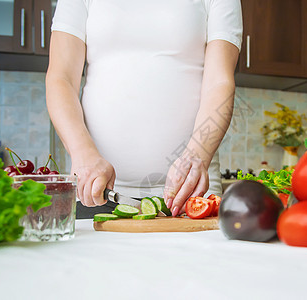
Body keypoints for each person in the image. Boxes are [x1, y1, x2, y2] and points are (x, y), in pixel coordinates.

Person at [46, 0, 242, 217]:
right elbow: (60, 78)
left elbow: (220, 82)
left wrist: (197, 155)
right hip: (98, 191)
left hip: (190, 193)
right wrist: (82, 154)